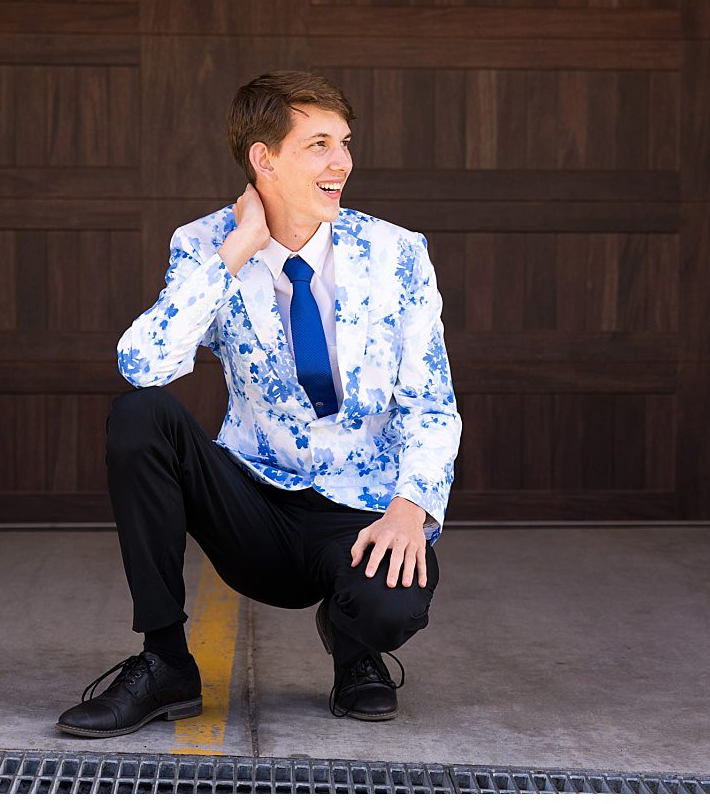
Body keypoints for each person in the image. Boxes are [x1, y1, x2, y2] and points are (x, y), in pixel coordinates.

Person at [57, 71, 460, 737]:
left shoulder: (397, 253)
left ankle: (357, 647)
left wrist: (409, 508)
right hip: (253, 502)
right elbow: (142, 365)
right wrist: (238, 247)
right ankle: (165, 662)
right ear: (263, 158)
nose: (343, 163)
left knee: (392, 605)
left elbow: (432, 402)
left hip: (357, 511)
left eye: (345, 143)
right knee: (140, 415)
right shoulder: (206, 242)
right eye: (320, 144)